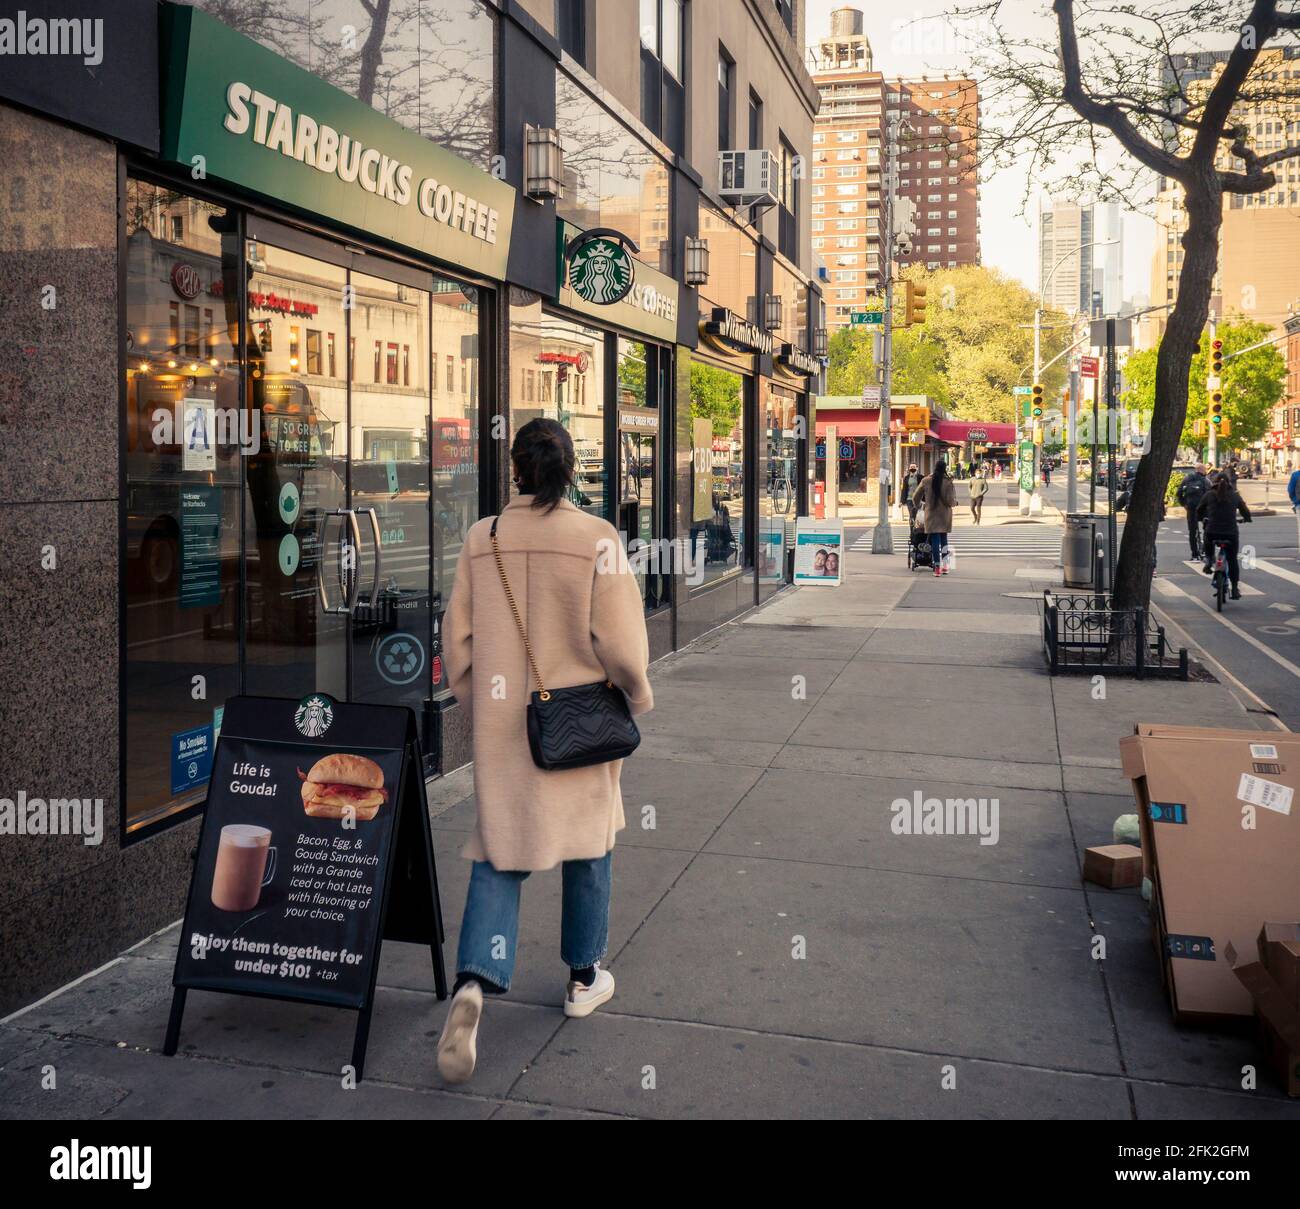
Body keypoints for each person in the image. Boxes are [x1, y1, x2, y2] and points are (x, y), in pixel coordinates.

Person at [438, 418, 654, 1083]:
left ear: (517, 469)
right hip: (580, 721)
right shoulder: (598, 537)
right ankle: (584, 976)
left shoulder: (484, 537)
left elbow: (458, 644)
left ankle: (475, 981)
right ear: (569, 469)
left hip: (507, 724)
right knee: (590, 845)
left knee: (501, 848)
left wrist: (481, 703)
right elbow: (619, 644)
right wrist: (635, 694)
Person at [1196, 471, 1252, 599]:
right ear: (1229, 483)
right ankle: (1235, 588)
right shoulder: (1235, 496)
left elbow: (1199, 510)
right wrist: (1247, 518)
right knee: (1232, 560)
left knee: (1208, 540)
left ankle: (1209, 561)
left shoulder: (1209, 495)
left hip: (1212, 531)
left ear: (1214, 482)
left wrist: (1202, 518)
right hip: (1230, 533)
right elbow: (1245, 511)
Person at [913, 457, 957, 577]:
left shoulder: (926, 480)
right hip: (944, 516)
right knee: (944, 541)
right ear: (944, 469)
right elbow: (951, 501)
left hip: (931, 515)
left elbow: (915, 497)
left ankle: (937, 568)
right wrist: (954, 504)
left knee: (934, 540)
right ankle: (946, 566)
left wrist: (919, 506)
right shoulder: (948, 482)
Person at [1175, 464, 1211, 559]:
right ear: (1203, 470)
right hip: (1204, 509)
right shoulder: (1206, 481)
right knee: (1207, 529)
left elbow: (1178, 493)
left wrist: (1184, 504)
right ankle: (1206, 551)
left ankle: (1194, 553)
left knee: (1192, 531)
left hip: (1191, 508)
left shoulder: (1187, 479)